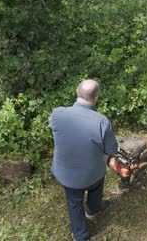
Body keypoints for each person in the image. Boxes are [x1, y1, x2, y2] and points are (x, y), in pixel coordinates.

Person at [49, 79, 118, 241]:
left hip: (66, 174)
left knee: (74, 202)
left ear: (76, 92)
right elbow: (111, 150)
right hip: (92, 175)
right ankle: (94, 208)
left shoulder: (57, 113)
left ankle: (80, 236)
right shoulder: (102, 121)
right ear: (96, 98)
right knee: (96, 184)